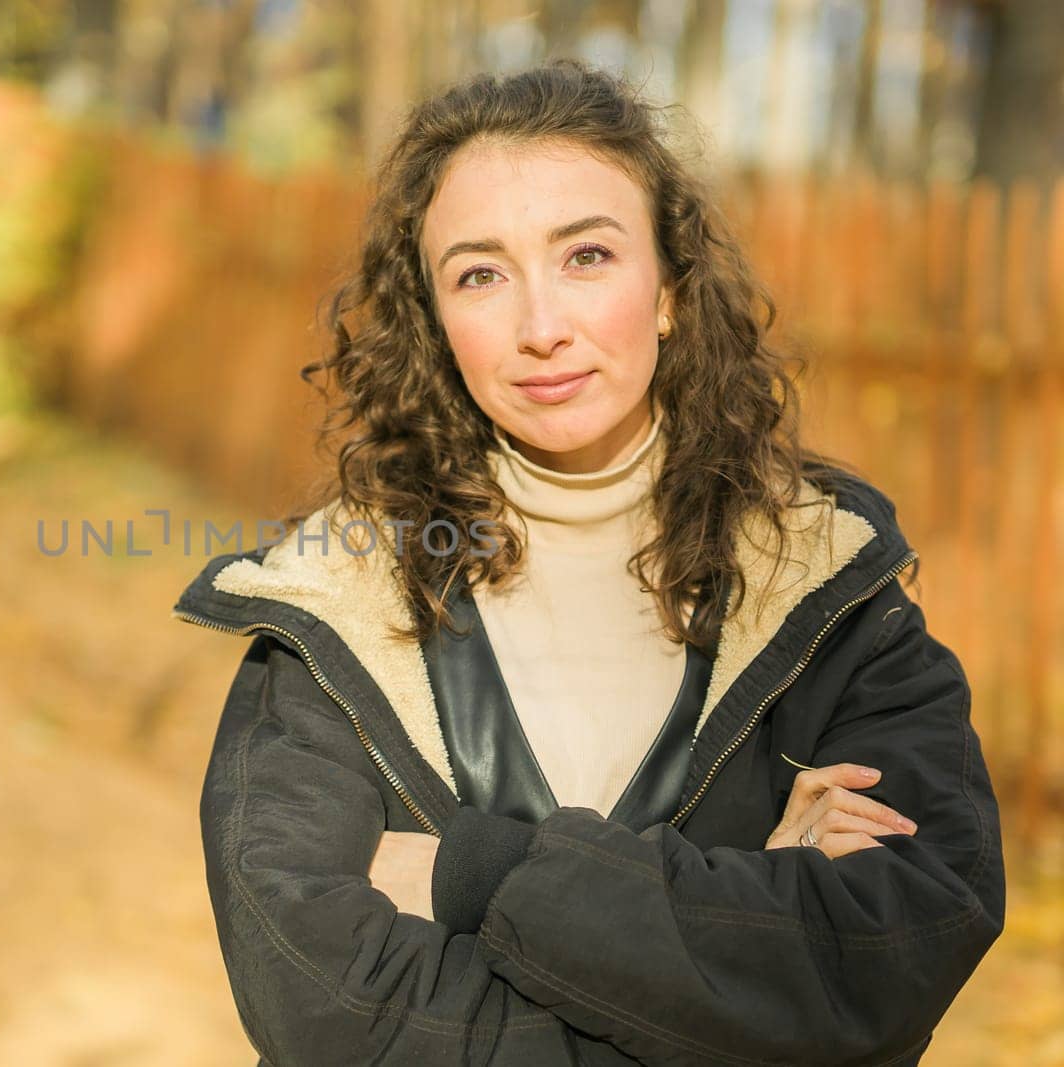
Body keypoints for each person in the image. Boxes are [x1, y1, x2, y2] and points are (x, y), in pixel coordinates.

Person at [171, 60, 1003, 1066]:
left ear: (668, 293)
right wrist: (738, 951)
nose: (540, 328)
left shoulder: (827, 584)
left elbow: (894, 949)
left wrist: (468, 876)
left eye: (587, 256)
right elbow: (322, 1009)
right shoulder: (335, 603)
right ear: (434, 324)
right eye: (480, 274)